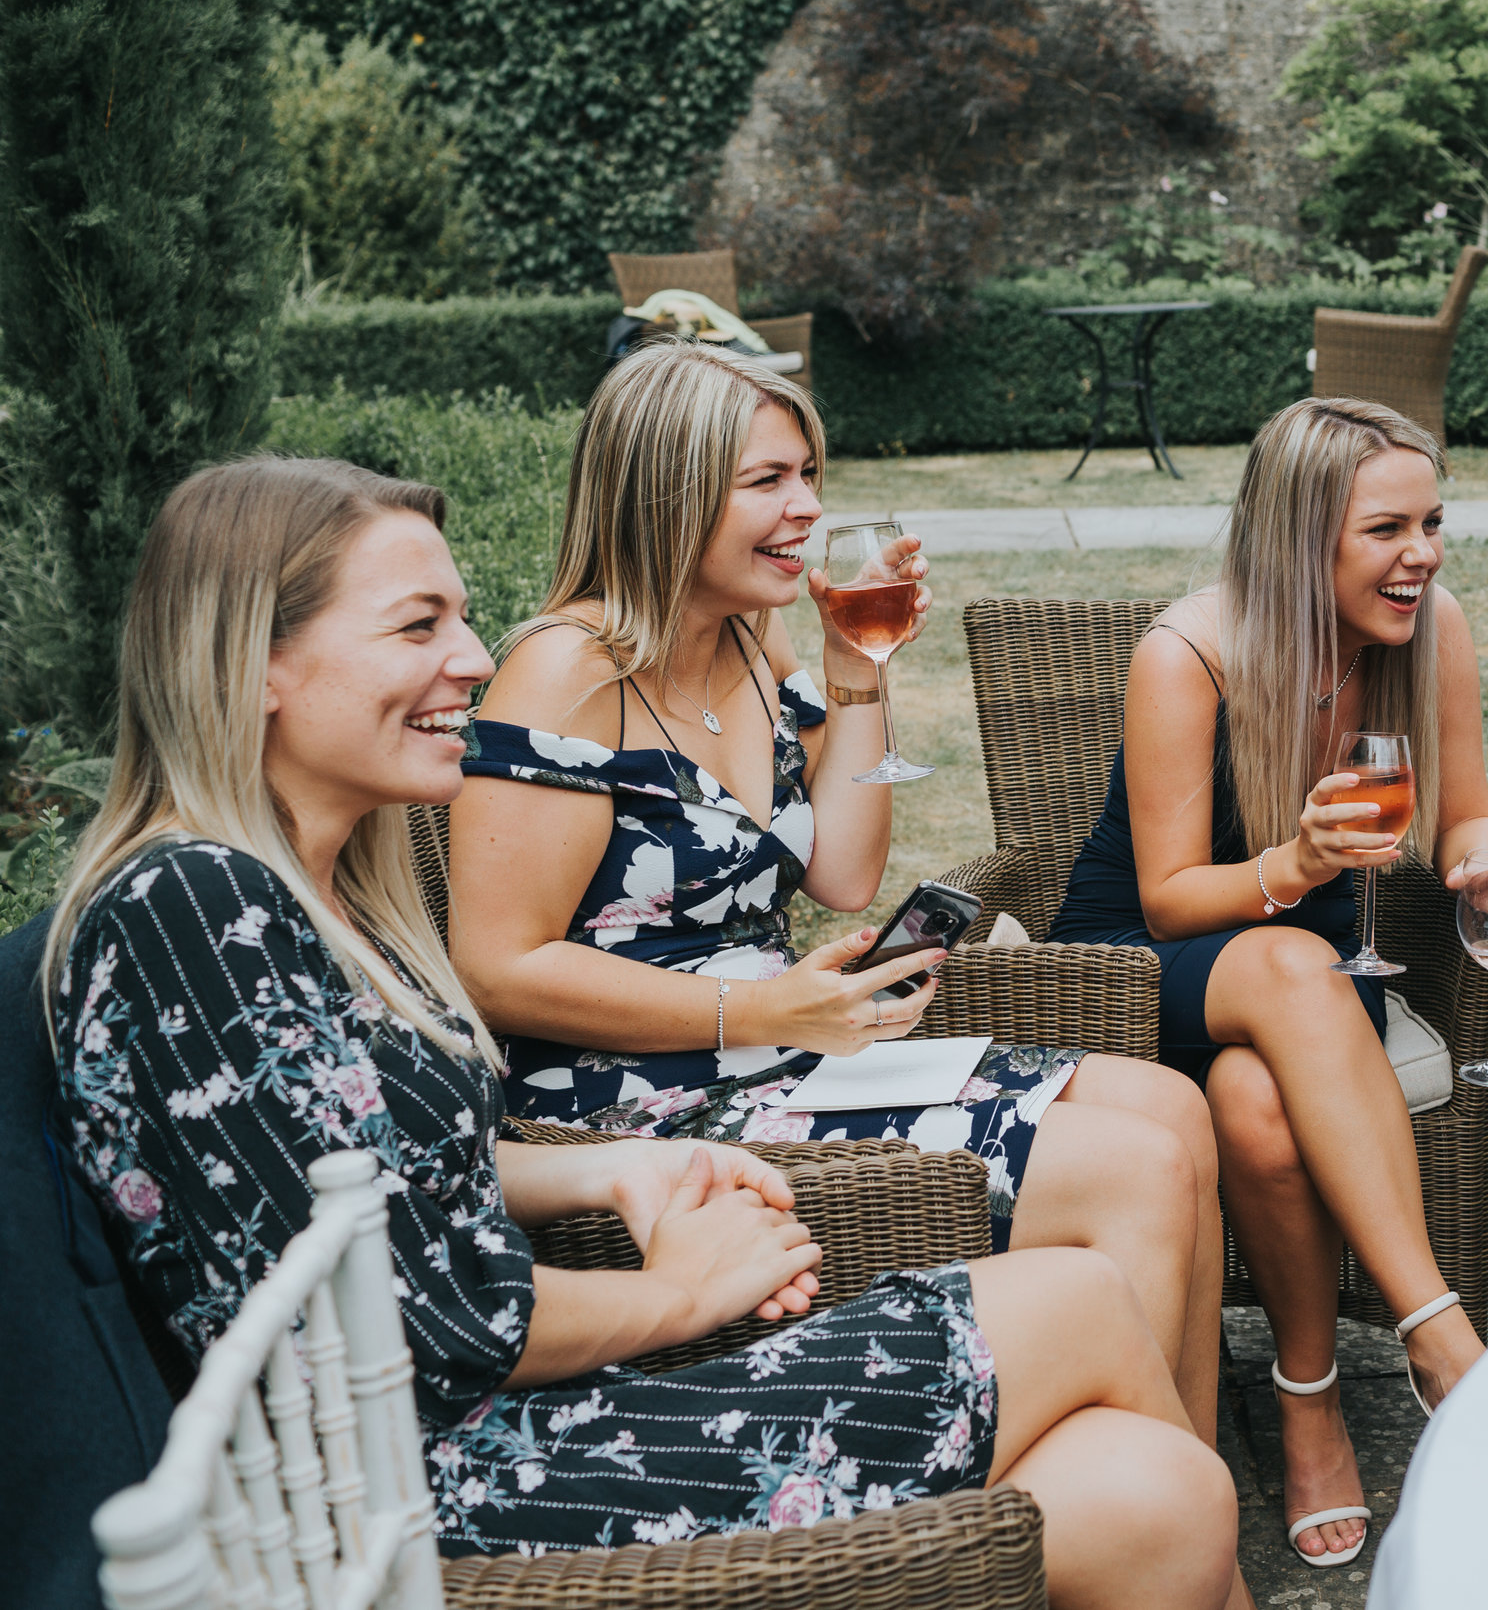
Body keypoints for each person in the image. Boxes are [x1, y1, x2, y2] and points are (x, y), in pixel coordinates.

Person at [47, 457, 1243, 1606]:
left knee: (1156, 1496)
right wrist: (681, 1294)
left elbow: (347, 1185)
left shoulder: (306, 892)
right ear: (255, 658)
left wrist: (614, 1165)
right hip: (446, 1489)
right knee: (1081, 1299)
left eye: (457, 620)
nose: (472, 657)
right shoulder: (192, 906)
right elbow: (419, 1315)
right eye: (416, 628)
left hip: (498, 1431)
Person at [447, 341, 1231, 1454]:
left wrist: (858, 668)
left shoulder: (750, 638)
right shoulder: (566, 672)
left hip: (783, 1045)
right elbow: (496, 963)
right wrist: (756, 1014)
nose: (807, 508)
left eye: (809, 475)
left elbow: (843, 873)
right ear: (665, 488)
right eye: (767, 480)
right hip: (634, 1104)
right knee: (1138, 1165)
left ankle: (1173, 1494)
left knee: (1173, 1109)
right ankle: (1136, 1505)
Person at [1048, 396, 1488, 1568]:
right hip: (1153, 959)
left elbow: (1461, 813)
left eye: (1432, 523)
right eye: (1386, 529)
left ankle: (1307, 1396)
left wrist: (1485, 869)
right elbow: (1171, 893)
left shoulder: (1434, 629)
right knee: (1285, 959)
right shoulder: (1189, 654)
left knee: (1260, 1111)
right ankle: (1441, 1335)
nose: (1420, 554)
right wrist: (1300, 862)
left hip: (1327, 967)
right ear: (1298, 535)